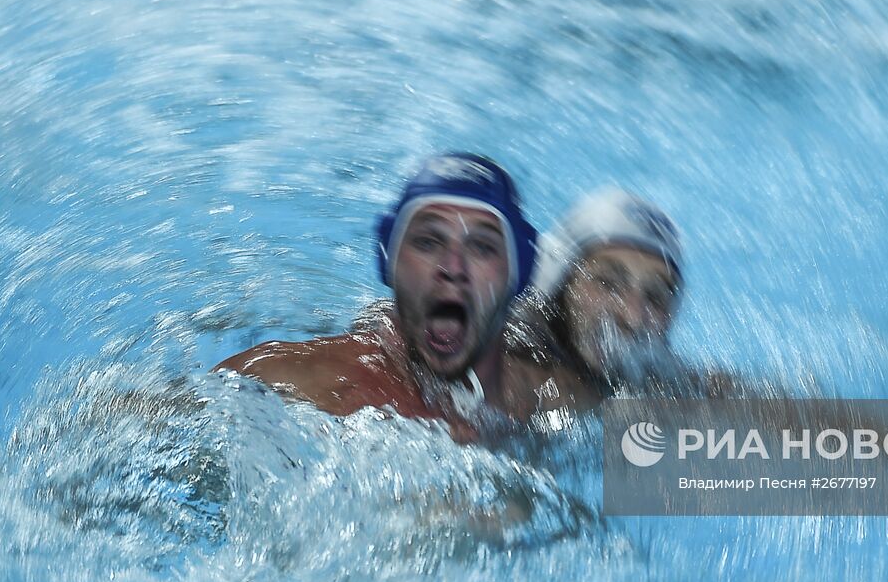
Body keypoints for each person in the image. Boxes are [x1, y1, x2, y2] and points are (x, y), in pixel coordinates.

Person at [215, 153, 537, 435]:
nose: (452, 266)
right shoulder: (301, 382)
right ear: (389, 260)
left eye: (482, 247)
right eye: (428, 242)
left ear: (519, 273)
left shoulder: (549, 398)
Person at [501, 187, 723, 416]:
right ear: (561, 284)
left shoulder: (646, 365)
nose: (633, 317)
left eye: (655, 297)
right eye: (607, 283)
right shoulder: (509, 345)